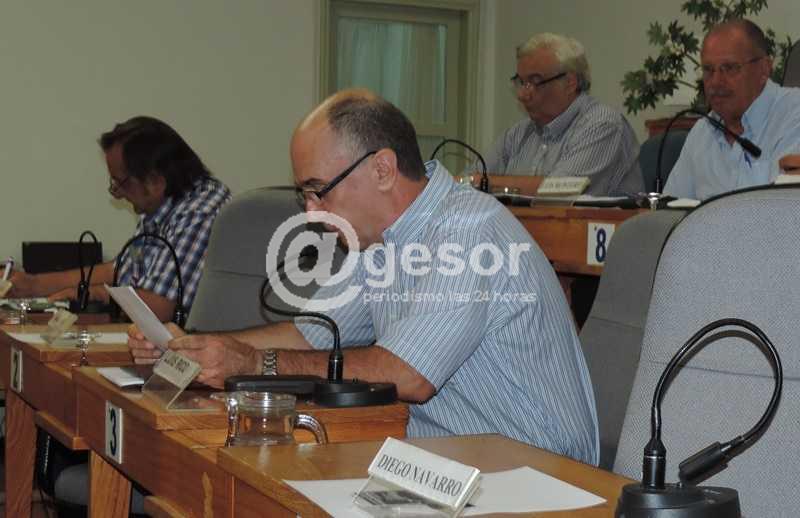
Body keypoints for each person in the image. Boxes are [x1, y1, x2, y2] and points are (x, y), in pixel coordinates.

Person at [129, 89, 599, 465]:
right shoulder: (377, 238)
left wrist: (253, 362)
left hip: (535, 472)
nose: (311, 213)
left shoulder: (467, 232)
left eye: (318, 191)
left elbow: (408, 375)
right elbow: (309, 334)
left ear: (382, 169)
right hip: (445, 461)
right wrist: (196, 348)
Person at [9, 116, 231, 321]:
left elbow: (159, 307)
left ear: (155, 181)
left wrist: (96, 295)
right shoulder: (161, 204)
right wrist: (33, 284)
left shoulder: (200, 212)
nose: (118, 194)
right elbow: (121, 270)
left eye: (121, 183)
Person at [475, 32, 643, 196]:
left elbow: (558, 191)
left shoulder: (603, 124)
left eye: (534, 82)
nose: (522, 94)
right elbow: (469, 181)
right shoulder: (518, 134)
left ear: (569, 83)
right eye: (521, 82)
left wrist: (484, 183)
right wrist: (474, 182)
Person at [664, 19, 800, 200]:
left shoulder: (793, 114)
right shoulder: (702, 132)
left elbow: (786, 207)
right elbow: (670, 208)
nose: (715, 82)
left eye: (729, 68)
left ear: (764, 69)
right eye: (708, 70)